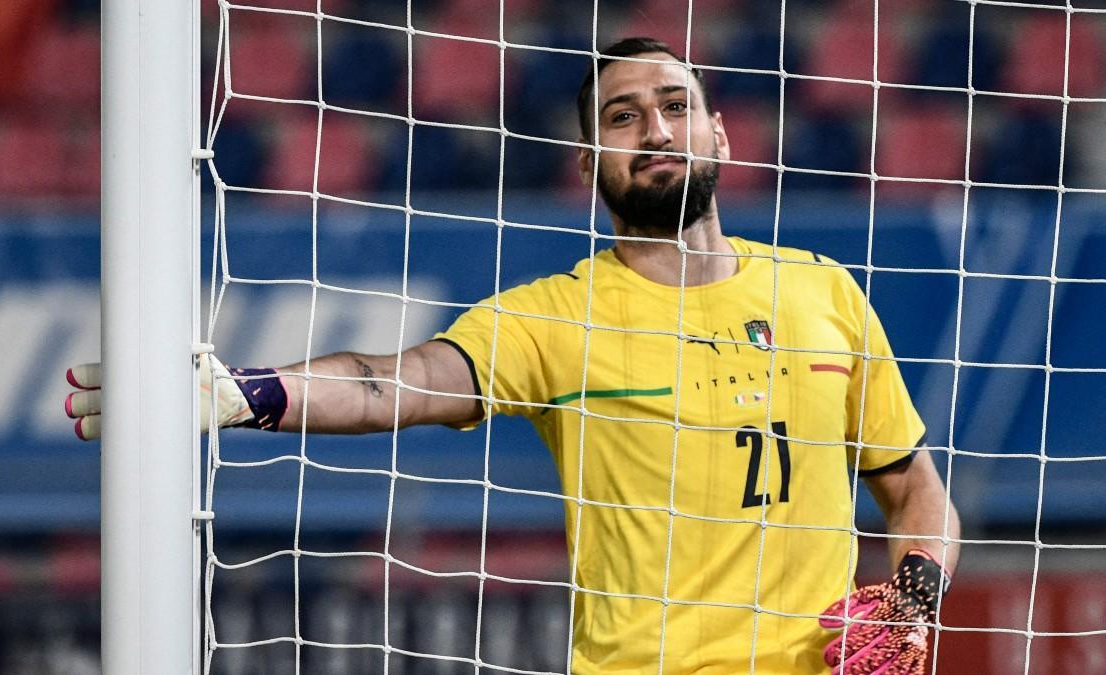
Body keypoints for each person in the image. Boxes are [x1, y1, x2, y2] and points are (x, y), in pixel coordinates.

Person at [66, 37, 960, 675]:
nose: (655, 128)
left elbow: (914, 485)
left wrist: (914, 595)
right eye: (624, 116)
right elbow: (397, 385)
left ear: (720, 136)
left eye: (676, 105)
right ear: (585, 162)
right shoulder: (556, 318)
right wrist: (242, 393)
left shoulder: (826, 291)